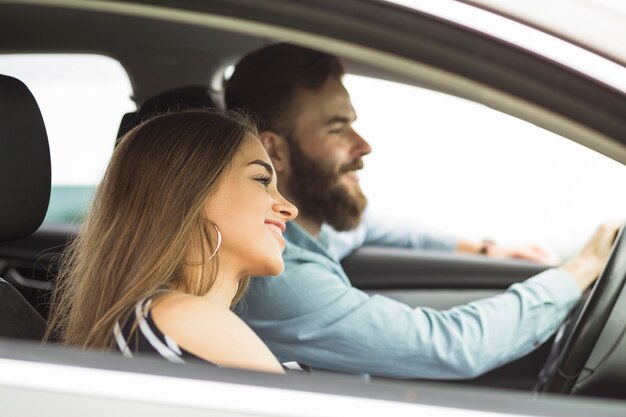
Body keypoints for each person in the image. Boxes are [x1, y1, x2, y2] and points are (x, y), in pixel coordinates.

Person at [225, 43, 621, 378]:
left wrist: (482, 249)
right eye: (336, 128)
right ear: (274, 151)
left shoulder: (306, 225)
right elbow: (451, 345)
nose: (363, 145)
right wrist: (580, 270)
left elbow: (369, 226)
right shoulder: (277, 276)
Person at [45, 110, 298, 374]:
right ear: (191, 194)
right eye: (261, 180)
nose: (290, 208)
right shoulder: (185, 318)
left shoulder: (164, 320)